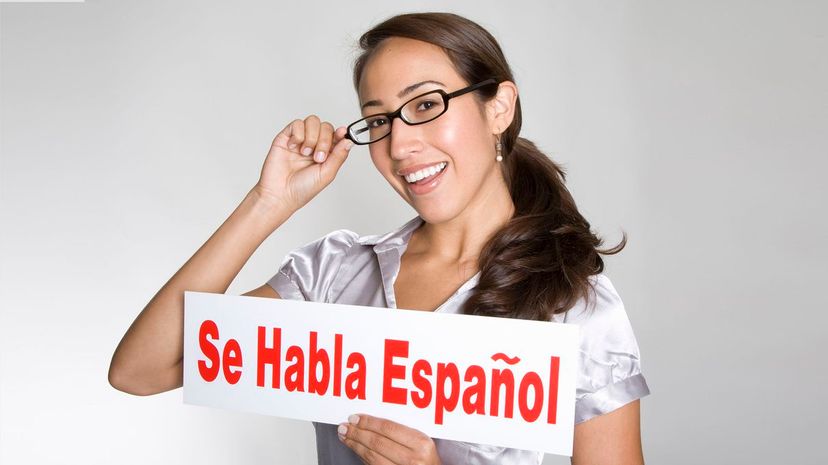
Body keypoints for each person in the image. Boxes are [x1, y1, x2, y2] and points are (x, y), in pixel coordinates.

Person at [109, 12, 650, 465]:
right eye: (380, 121)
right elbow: (140, 371)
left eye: (424, 105)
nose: (401, 145)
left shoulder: (578, 308)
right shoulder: (332, 272)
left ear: (498, 108)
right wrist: (267, 204)